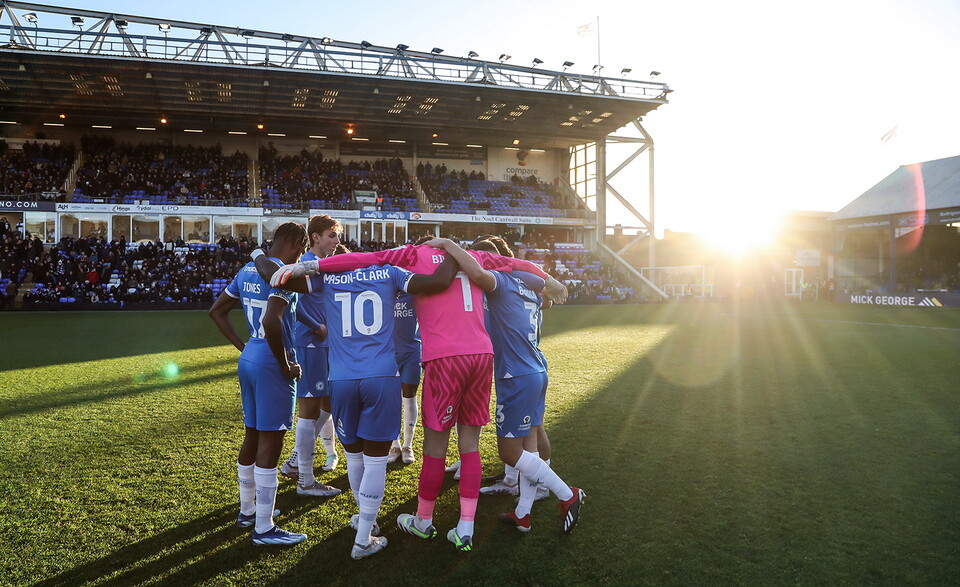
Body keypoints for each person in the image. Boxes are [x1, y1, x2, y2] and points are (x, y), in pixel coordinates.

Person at [270, 240, 567, 551]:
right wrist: (549, 279)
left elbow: (367, 257)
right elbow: (518, 265)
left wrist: (313, 265)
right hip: (482, 354)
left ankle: (423, 520)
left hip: (440, 357)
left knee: (434, 446)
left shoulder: (411, 255)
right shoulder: (477, 257)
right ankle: (466, 528)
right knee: (470, 447)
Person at [254, 245, 459, 559]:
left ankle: (366, 521)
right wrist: (451, 253)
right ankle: (364, 536)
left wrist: (257, 255)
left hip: (341, 379)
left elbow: (273, 277)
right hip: (381, 377)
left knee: (355, 459)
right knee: (376, 461)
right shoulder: (390, 272)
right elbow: (438, 282)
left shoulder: (330, 274)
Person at [429, 236, 585, 534]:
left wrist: (448, 245)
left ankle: (568, 494)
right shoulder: (528, 285)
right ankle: (523, 513)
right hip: (536, 369)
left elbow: (476, 274)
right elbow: (550, 298)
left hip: (516, 375)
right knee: (530, 446)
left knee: (509, 453)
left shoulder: (502, 281)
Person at [208, 222, 311, 546]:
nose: (302, 255)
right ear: (296, 243)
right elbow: (271, 320)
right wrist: (285, 365)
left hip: (251, 356)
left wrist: (244, 347)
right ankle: (264, 528)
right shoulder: (280, 273)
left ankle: (248, 511)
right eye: (302, 249)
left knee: (252, 433)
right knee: (272, 440)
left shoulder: (247, 270)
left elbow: (217, 311)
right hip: (271, 362)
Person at [277, 216, 343, 495]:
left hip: (323, 345)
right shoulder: (305, 265)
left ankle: (295, 461)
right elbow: (295, 302)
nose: (337, 242)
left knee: (328, 402)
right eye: (331, 236)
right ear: (315, 237)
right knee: (310, 410)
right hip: (310, 344)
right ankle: (304, 478)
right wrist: (317, 326)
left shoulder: (324, 264)